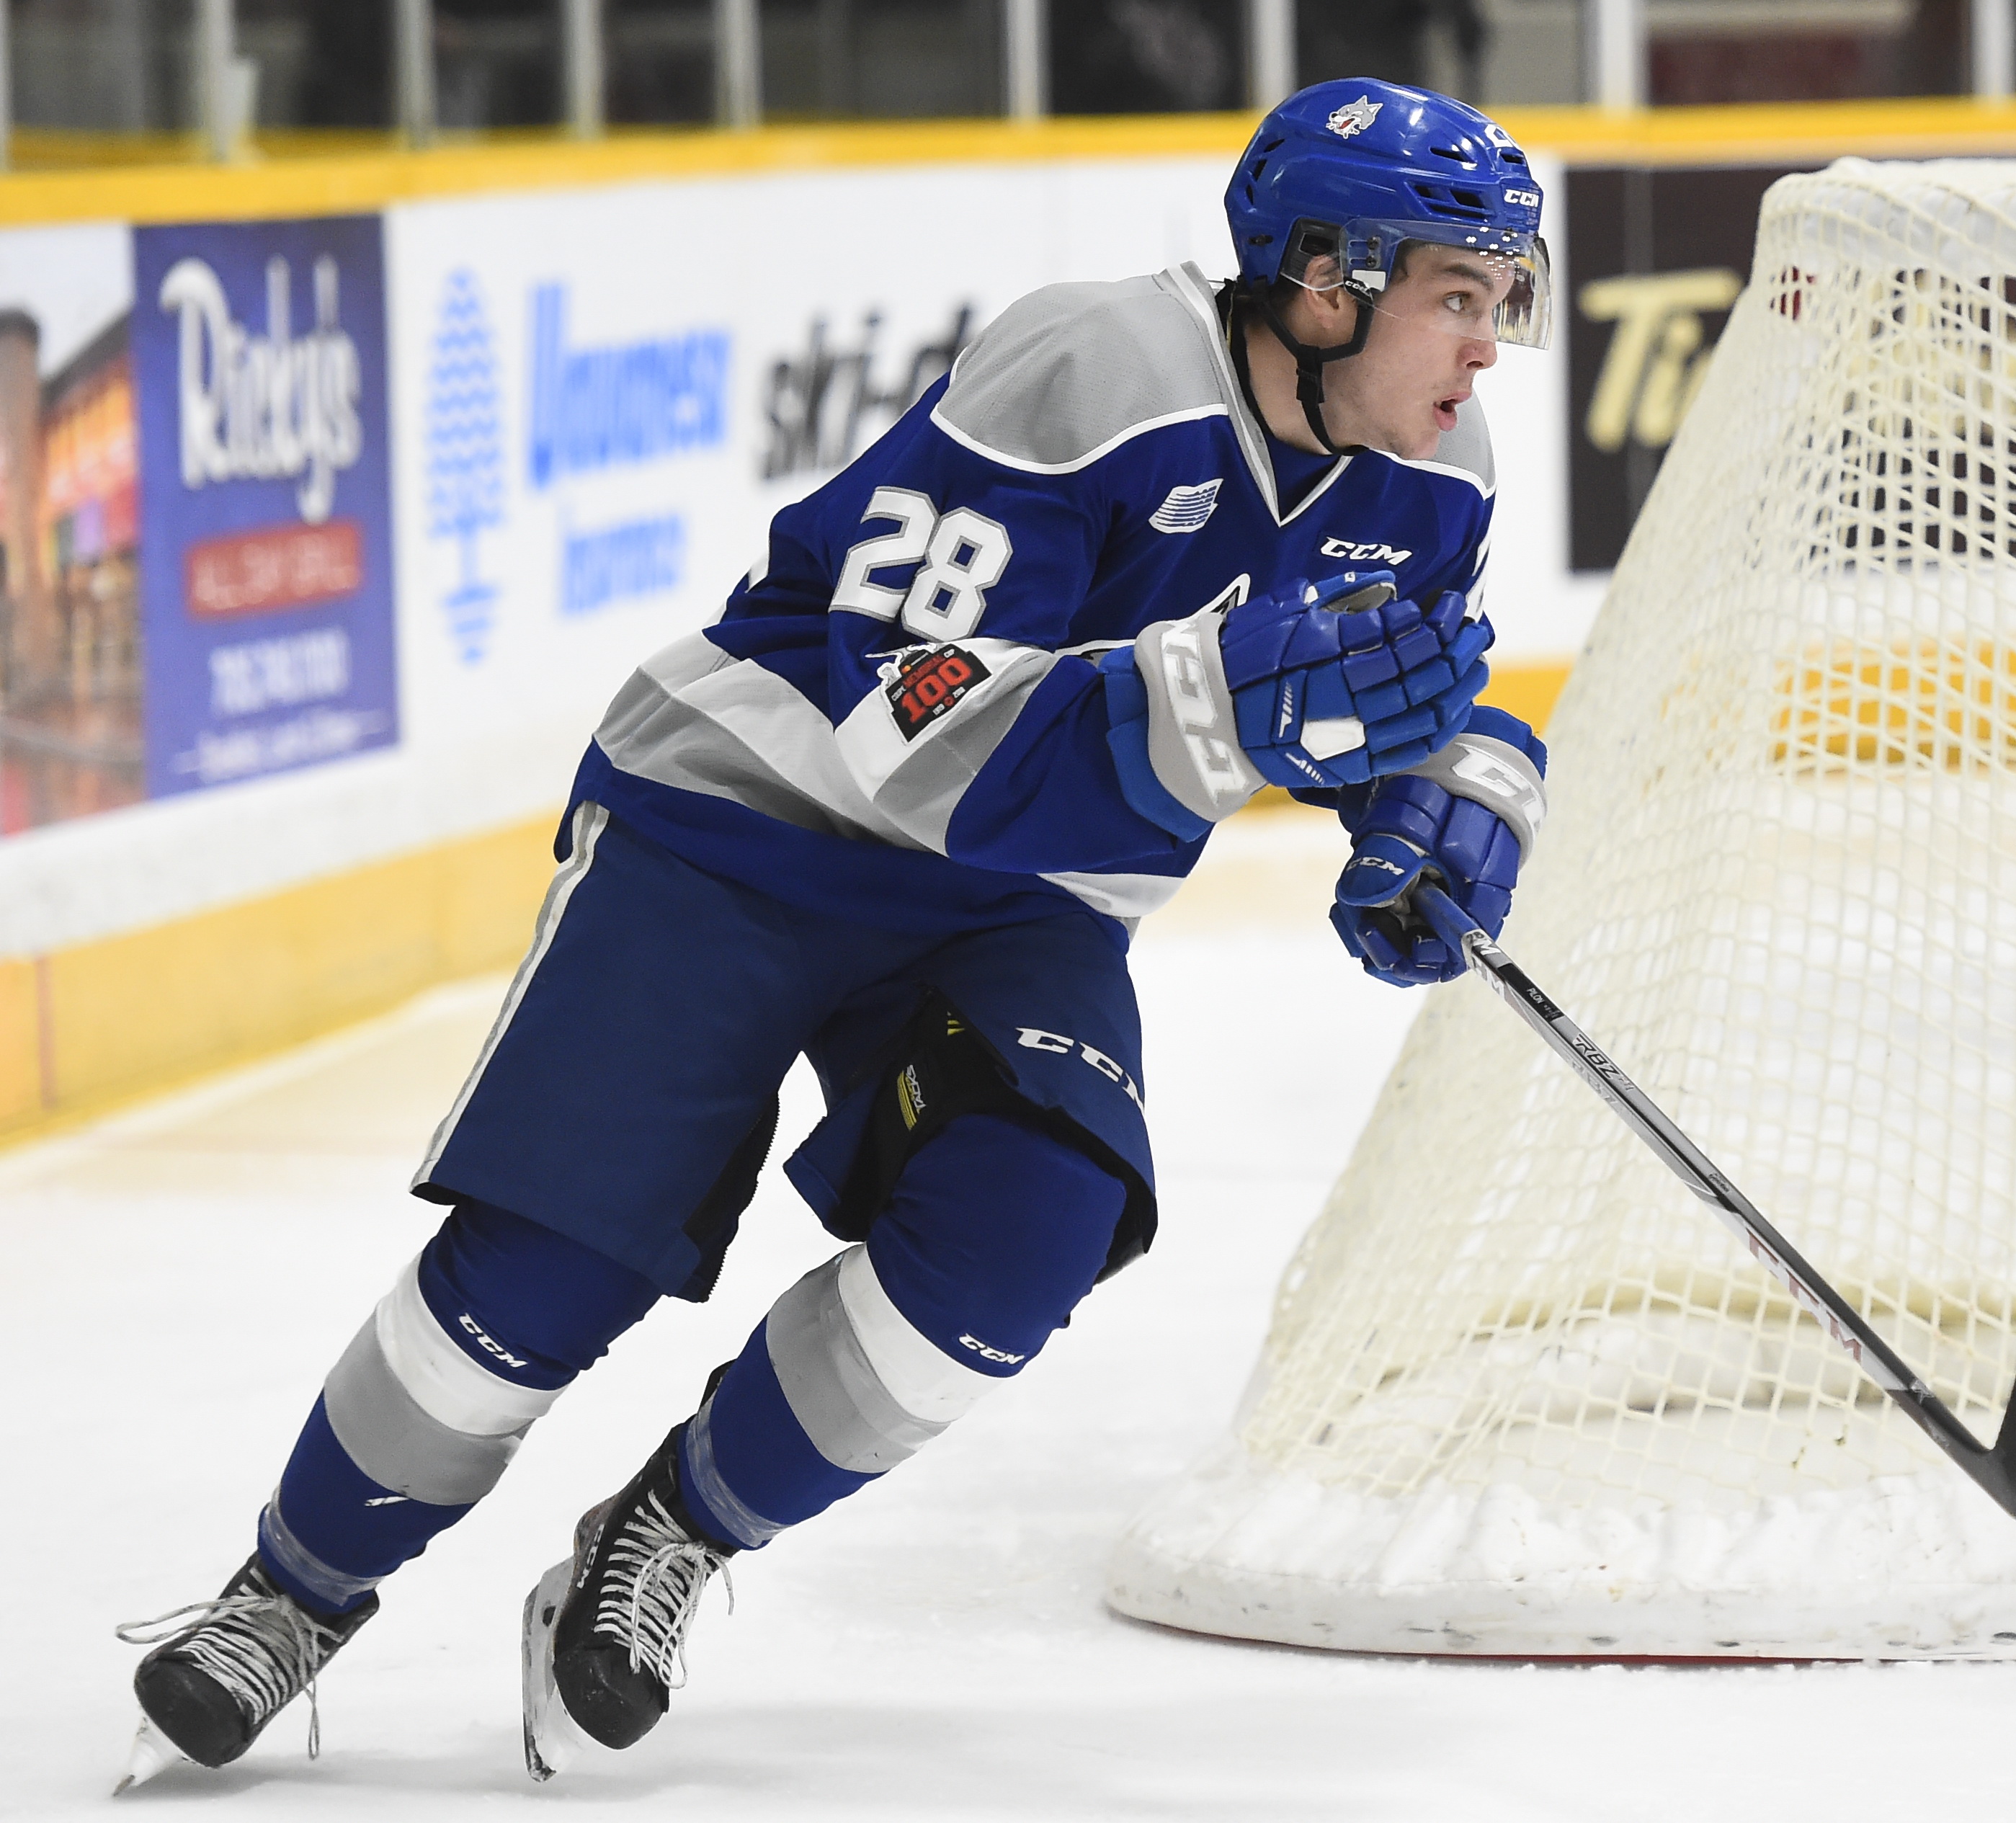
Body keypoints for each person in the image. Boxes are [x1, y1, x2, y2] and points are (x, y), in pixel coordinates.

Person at [115, 77, 1554, 1788]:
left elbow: (1394, 692)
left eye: (1504, 298)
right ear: (1324, 279)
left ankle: (670, 1532)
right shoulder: (1095, 369)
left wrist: (1442, 796)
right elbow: (905, 719)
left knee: (1023, 1242)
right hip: (745, 824)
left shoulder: (1433, 468)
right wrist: (1221, 709)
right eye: (1458, 294)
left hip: (1020, 901)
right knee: (554, 1264)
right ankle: (295, 1589)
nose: (1488, 345)